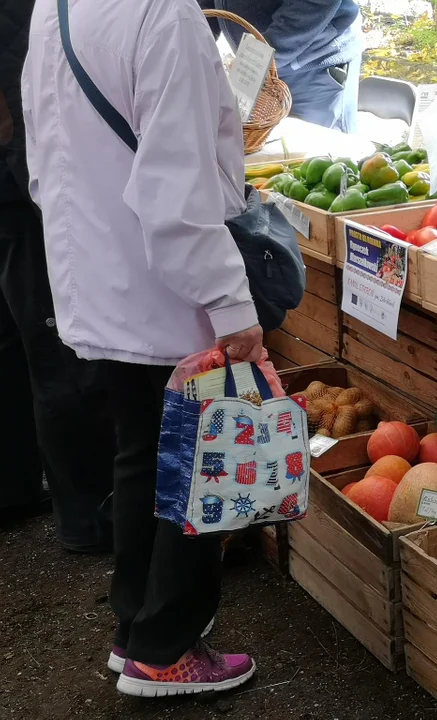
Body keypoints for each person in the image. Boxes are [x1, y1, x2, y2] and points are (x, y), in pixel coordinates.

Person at [23, 0, 262, 697]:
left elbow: (43, 150)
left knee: (142, 451)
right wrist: (230, 304)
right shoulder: (167, 17)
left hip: (97, 266)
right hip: (164, 281)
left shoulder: (59, 3)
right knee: (194, 466)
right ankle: (166, 649)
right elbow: (177, 191)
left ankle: (136, 633)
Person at [0, 0, 115, 553]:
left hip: (26, 181)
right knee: (60, 358)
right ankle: (88, 519)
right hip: (22, 190)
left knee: (26, 345)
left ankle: (19, 489)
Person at [200, 0, 363, 134]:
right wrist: (195, 40)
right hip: (259, 61)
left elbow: (316, 3)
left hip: (314, 64)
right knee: (265, 157)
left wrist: (260, 54)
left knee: (320, 160)